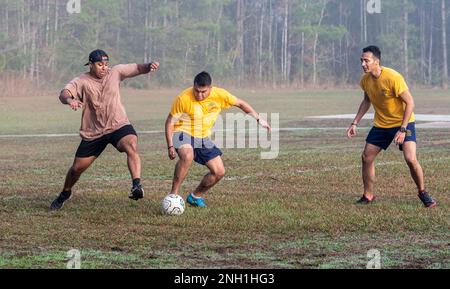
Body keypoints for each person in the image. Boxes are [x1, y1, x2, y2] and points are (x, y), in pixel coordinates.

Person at [50, 49, 160, 210]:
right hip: (94, 132)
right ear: (91, 65)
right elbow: (64, 93)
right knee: (76, 169)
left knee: (131, 145)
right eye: (100, 64)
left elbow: (137, 68)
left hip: (118, 125)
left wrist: (149, 66)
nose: (104, 68)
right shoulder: (82, 81)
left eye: (106, 64)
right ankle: (65, 192)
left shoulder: (115, 72)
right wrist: (69, 100)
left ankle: (136, 185)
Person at [347, 45, 437, 208]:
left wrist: (402, 129)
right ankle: (368, 195)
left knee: (410, 159)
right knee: (366, 157)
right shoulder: (365, 80)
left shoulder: (393, 77)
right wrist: (355, 123)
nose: (363, 64)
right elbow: (367, 101)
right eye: (361, 61)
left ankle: (423, 192)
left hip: (404, 122)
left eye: (366, 61)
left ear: (376, 61)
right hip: (382, 124)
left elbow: (410, 102)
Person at [165, 71, 271, 207]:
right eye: (196, 90)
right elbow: (169, 122)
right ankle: (173, 195)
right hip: (182, 132)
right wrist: (170, 145)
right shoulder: (183, 98)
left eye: (203, 91)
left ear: (210, 88)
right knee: (187, 155)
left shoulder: (220, 95)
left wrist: (258, 119)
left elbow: (240, 103)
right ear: (193, 86)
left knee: (219, 172)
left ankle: (195, 196)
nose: (199, 95)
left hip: (203, 137)